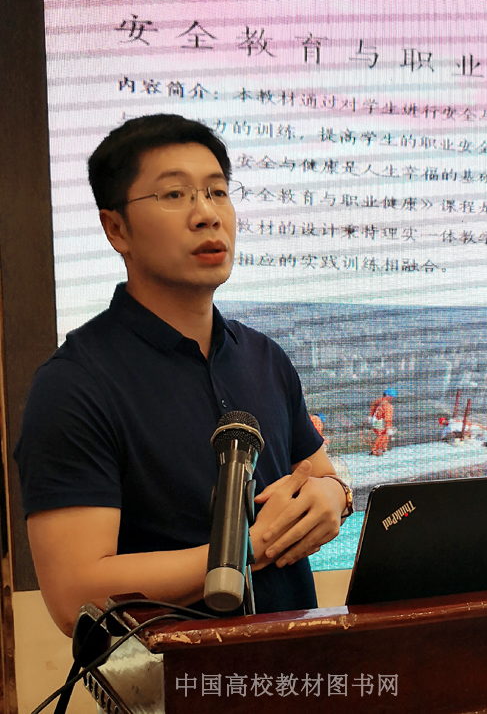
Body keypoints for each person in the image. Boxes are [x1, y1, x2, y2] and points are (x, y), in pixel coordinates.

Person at [14, 114, 352, 637]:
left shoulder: (264, 356)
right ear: (116, 229)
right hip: (174, 677)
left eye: (217, 192)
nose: (207, 215)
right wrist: (248, 548)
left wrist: (335, 496)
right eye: (175, 195)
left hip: (295, 666)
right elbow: (74, 593)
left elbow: (319, 473)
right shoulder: (75, 384)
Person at [369, 389, 396, 456]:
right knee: (382, 435)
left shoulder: (378, 401)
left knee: (382, 435)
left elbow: (373, 408)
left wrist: (370, 417)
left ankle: (383, 448)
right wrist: (389, 428)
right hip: (381, 421)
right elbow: (388, 419)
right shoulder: (388, 406)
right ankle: (376, 450)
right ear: (389, 396)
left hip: (375, 420)